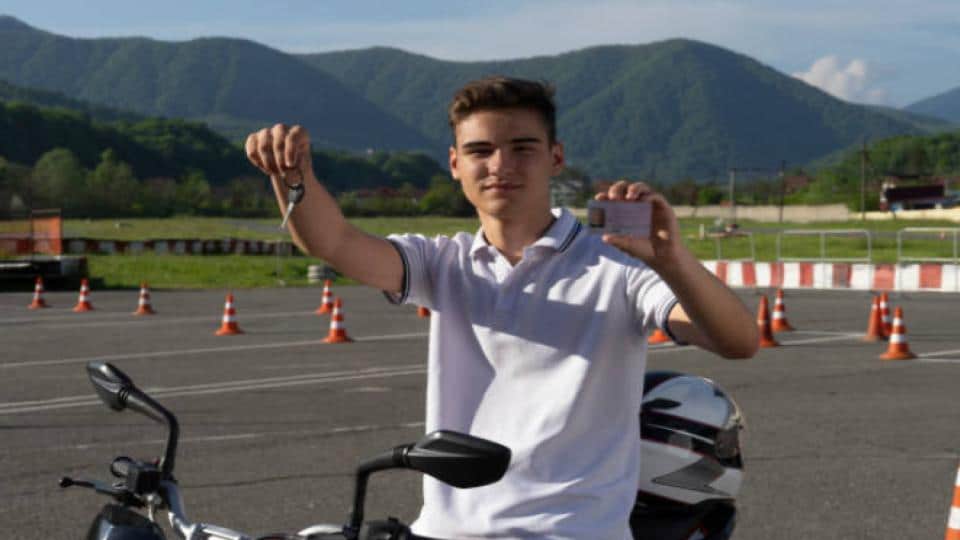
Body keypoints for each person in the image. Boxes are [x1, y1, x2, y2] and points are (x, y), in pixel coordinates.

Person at [245, 76, 758, 540]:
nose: (500, 166)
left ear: (556, 158)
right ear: (455, 164)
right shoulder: (441, 262)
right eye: (480, 150)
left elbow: (737, 340)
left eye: (522, 148)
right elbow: (333, 242)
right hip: (446, 532)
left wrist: (673, 259)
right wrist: (293, 177)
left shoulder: (617, 263)